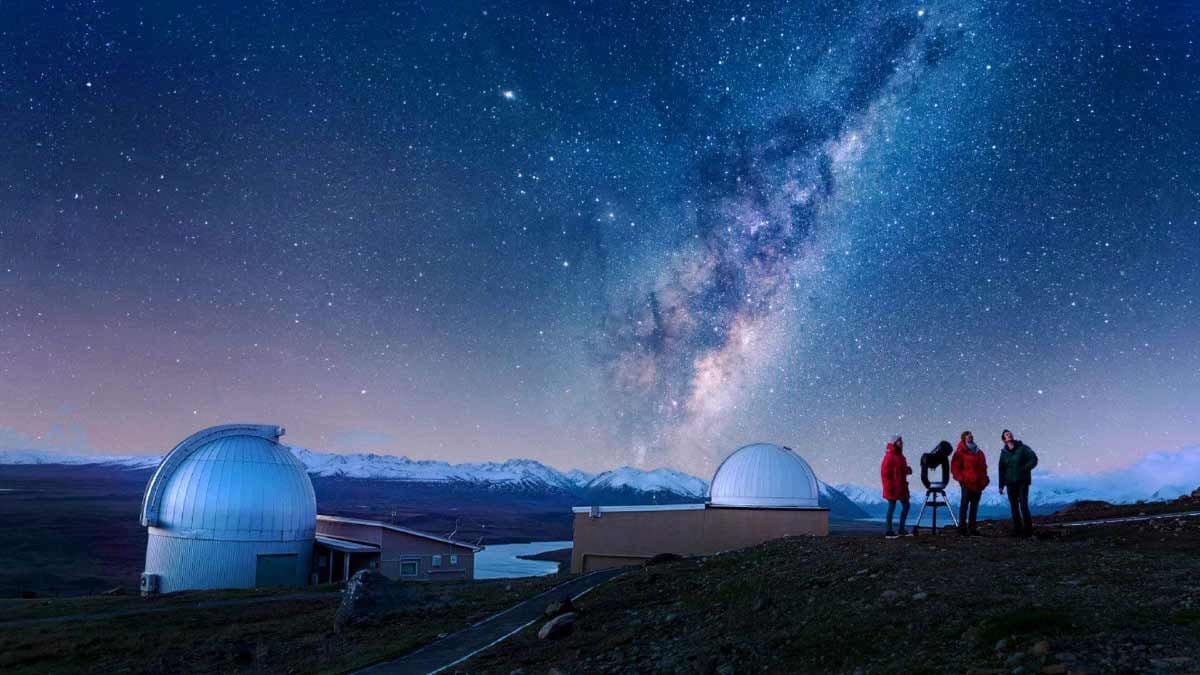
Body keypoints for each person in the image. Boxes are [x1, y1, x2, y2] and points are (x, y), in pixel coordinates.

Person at [998, 429, 1038, 537]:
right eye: (1006, 434)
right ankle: (1018, 530)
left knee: (1023, 506)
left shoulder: (1023, 448)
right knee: (1014, 507)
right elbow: (1001, 469)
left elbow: (1034, 459)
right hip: (1010, 483)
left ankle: (1028, 531)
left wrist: (1025, 468)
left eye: (1010, 433)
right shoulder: (1003, 453)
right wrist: (1001, 485)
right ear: (1004, 439)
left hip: (1022, 481)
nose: (1009, 435)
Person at [951, 431, 989, 536]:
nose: (970, 437)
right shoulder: (960, 452)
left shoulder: (979, 452)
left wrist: (985, 480)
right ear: (964, 438)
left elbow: (983, 467)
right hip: (966, 483)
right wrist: (961, 479)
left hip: (978, 483)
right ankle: (962, 529)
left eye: (971, 436)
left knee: (974, 507)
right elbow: (955, 468)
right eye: (968, 436)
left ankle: (972, 528)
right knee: (964, 505)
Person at [880, 435, 912, 537]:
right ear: (894, 443)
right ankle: (889, 531)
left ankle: (901, 529)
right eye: (899, 441)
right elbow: (885, 474)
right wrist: (889, 487)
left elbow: (899, 471)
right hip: (893, 488)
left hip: (901, 487)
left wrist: (907, 470)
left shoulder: (901, 457)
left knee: (906, 506)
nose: (901, 442)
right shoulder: (889, 457)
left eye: (901, 441)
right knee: (891, 508)